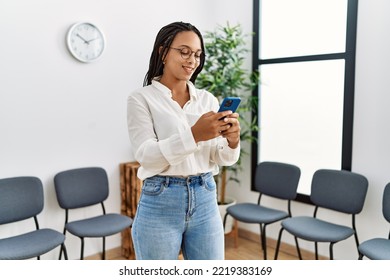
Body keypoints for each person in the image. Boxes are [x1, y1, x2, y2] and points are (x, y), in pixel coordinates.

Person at [127, 21, 241, 260]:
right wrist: (195, 134)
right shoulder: (141, 99)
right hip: (160, 200)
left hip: (205, 196)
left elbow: (218, 157)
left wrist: (231, 141)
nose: (192, 60)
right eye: (185, 51)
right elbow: (146, 155)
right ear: (163, 52)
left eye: (198, 54)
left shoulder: (206, 99)